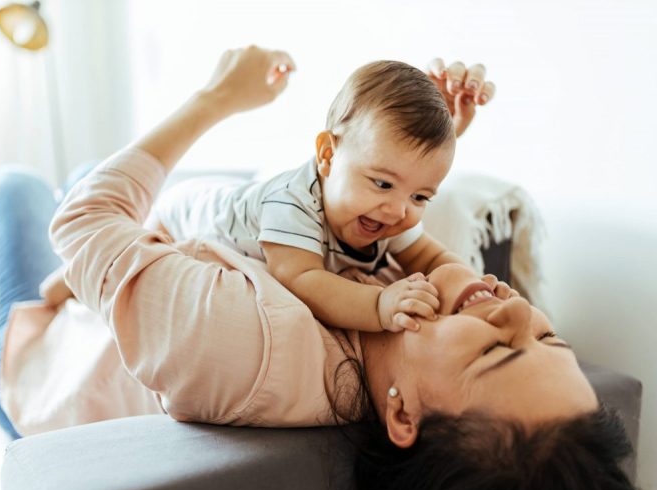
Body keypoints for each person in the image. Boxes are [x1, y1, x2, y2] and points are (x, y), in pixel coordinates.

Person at [0, 46, 647, 490]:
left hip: (36, 370)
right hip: (157, 266)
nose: (514, 305)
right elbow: (437, 256)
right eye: (548, 334)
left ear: (402, 414)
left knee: (13, 189)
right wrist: (435, 138)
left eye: (498, 351)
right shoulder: (399, 327)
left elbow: (83, 224)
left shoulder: (253, 346)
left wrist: (215, 98)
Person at [149, 57, 498, 333]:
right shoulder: (291, 204)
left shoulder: (389, 210)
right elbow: (303, 281)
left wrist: (473, 289)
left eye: (421, 197)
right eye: (382, 183)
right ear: (328, 156)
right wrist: (379, 305)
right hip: (182, 213)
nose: (398, 211)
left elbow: (432, 259)